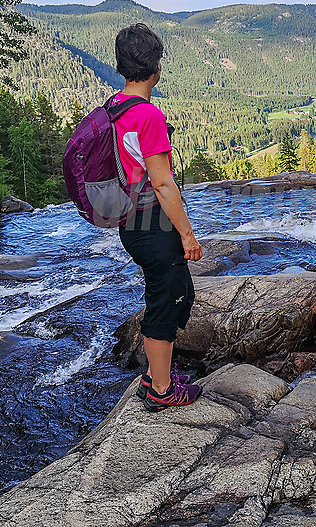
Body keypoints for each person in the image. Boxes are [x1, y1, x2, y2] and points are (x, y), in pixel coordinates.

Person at [111, 23, 203, 412]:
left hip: (130, 222)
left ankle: (155, 373)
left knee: (179, 295)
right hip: (153, 223)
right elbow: (164, 184)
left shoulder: (114, 106)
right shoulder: (147, 115)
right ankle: (161, 391)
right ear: (156, 66)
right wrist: (187, 234)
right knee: (166, 301)